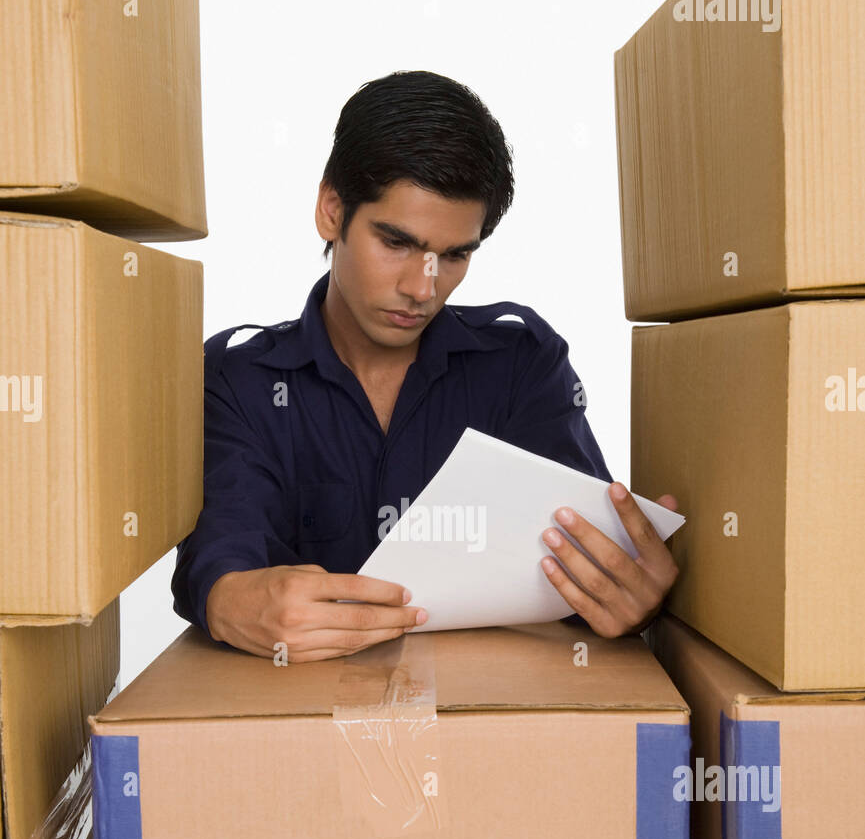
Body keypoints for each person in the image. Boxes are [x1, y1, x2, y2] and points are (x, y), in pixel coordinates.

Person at [171, 70, 678, 662]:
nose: (422, 287)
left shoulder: (522, 366)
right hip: (298, 731)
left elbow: (584, 565)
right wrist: (229, 600)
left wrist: (627, 594)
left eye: (455, 254)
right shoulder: (237, 381)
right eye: (396, 242)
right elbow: (221, 555)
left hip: (495, 725)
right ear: (332, 211)